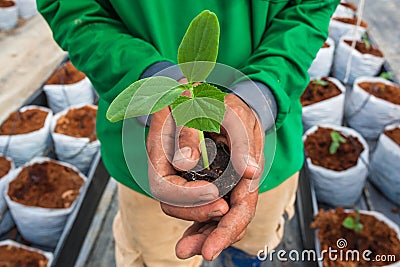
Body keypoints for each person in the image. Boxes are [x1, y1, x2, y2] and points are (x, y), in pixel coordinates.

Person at [37, 1, 339, 266]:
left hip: (269, 148)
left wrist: (261, 94)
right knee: (161, 257)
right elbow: (71, 9)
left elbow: (310, 8)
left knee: (254, 245)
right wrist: (150, 80)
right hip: (149, 163)